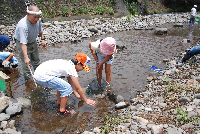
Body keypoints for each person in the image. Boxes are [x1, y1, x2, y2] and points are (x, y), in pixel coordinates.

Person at [14, 5, 46, 82]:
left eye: (38, 17)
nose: (37, 19)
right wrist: (26, 56)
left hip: (32, 41)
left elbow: (40, 31)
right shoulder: (23, 25)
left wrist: (43, 39)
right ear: (28, 14)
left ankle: (39, 76)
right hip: (23, 43)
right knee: (27, 63)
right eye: (35, 17)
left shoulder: (38, 20)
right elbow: (23, 44)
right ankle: (28, 81)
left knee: (36, 60)